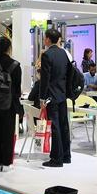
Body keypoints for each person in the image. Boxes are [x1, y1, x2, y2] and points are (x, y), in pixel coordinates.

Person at [0, 36, 21, 172]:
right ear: (8, 48)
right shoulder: (15, 65)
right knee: (7, 134)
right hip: (9, 105)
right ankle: (6, 163)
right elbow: (17, 89)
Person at [40, 28, 71, 167]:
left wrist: (42, 98)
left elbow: (45, 79)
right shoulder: (63, 53)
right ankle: (66, 156)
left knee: (55, 126)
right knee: (64, 125)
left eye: (45, 38)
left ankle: (56, 159)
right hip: (62, 94)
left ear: (47, 39)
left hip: (51, 96)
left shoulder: (47, 55)